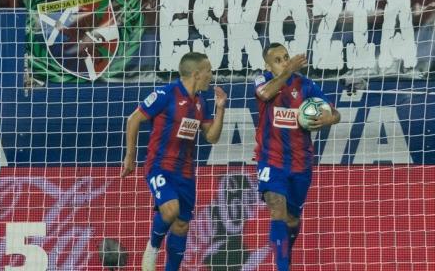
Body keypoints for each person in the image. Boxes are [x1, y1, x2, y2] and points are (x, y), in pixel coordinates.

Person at [121, 51, 228, 271]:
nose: (211, 75)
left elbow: (212, 137)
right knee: (170, 211)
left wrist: (220, 109)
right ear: (197, 74)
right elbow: (133, 120)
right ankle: (152, 247)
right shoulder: (165, 94)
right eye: (208, 71)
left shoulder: (201, 102)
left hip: (186, 173)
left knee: (181, 225)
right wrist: (130, 157)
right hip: (160, 166)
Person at [253, 43, 340, 270]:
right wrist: (288, 71)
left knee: (292, 219)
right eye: (278, 60)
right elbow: (264, 94)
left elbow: (335, 112)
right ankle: (282, 267)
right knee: (277, 208)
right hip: (270, 159)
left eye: (286, 57)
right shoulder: (262, 81)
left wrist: (328, 119)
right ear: (268, 65)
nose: (284, 62)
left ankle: (285, 256)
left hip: (301, 163)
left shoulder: (306, 85)